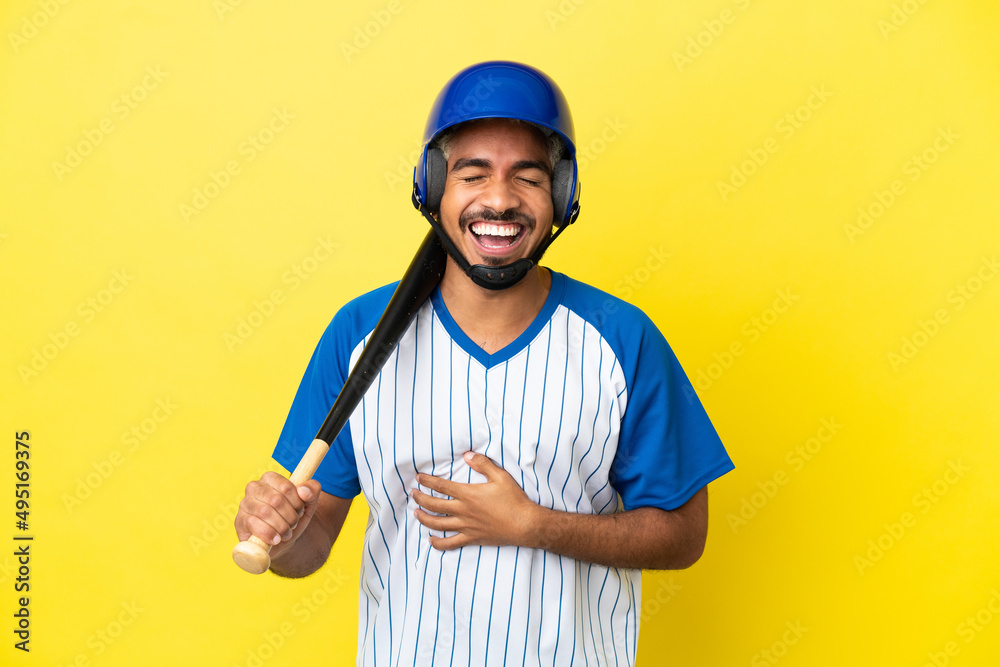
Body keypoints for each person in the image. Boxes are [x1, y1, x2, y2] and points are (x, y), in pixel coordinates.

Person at [234, 61, 734, 666]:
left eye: (527, 178)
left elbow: (684, 536)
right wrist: (283, 535)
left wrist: (534, 525)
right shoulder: (358, 335)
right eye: (473, 175)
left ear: (562, 196)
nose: (499, 199)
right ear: (434, 188)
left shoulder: (621, 339)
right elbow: (310, 546)